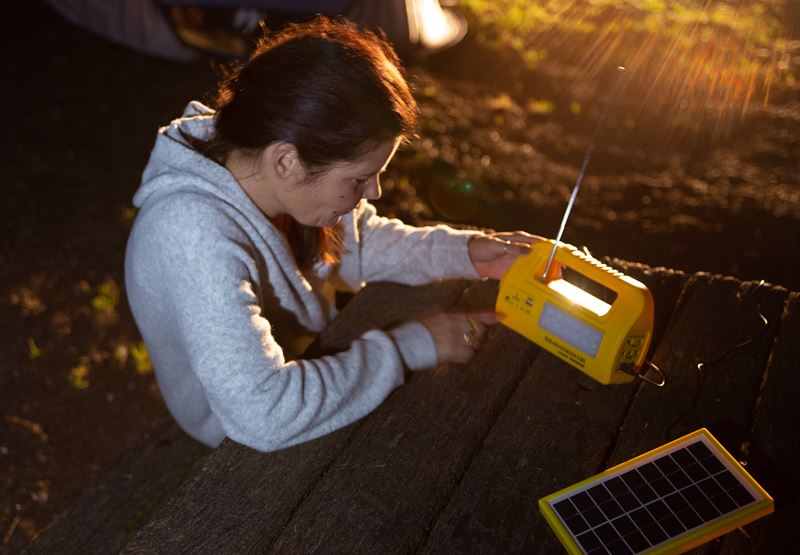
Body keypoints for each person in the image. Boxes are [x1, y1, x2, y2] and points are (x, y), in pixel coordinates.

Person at [125, 17, 540, 451]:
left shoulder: (256, 161)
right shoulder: (192, 237)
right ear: (286, 162)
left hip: (309, 363)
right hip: (238, 433)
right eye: (361, 178)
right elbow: (261, 413)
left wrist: (468, 252)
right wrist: (411, 347)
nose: (373, 193)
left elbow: (357, 243)